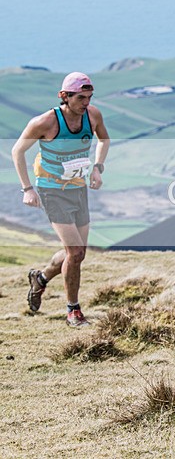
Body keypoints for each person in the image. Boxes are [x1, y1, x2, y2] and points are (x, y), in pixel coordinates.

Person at [11, 72, 110, 327]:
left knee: (77, 254)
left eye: (89, 97)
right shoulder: (45, 122)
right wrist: (27, 189)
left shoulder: (93, 115)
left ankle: (41, 278)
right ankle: (73, 311)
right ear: (64, 96)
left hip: (78, 189)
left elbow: (104, 139)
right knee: (75, 252)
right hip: (52, 191)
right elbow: (17, 151)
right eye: (80, 98)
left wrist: (98, 166)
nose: (85, 103)